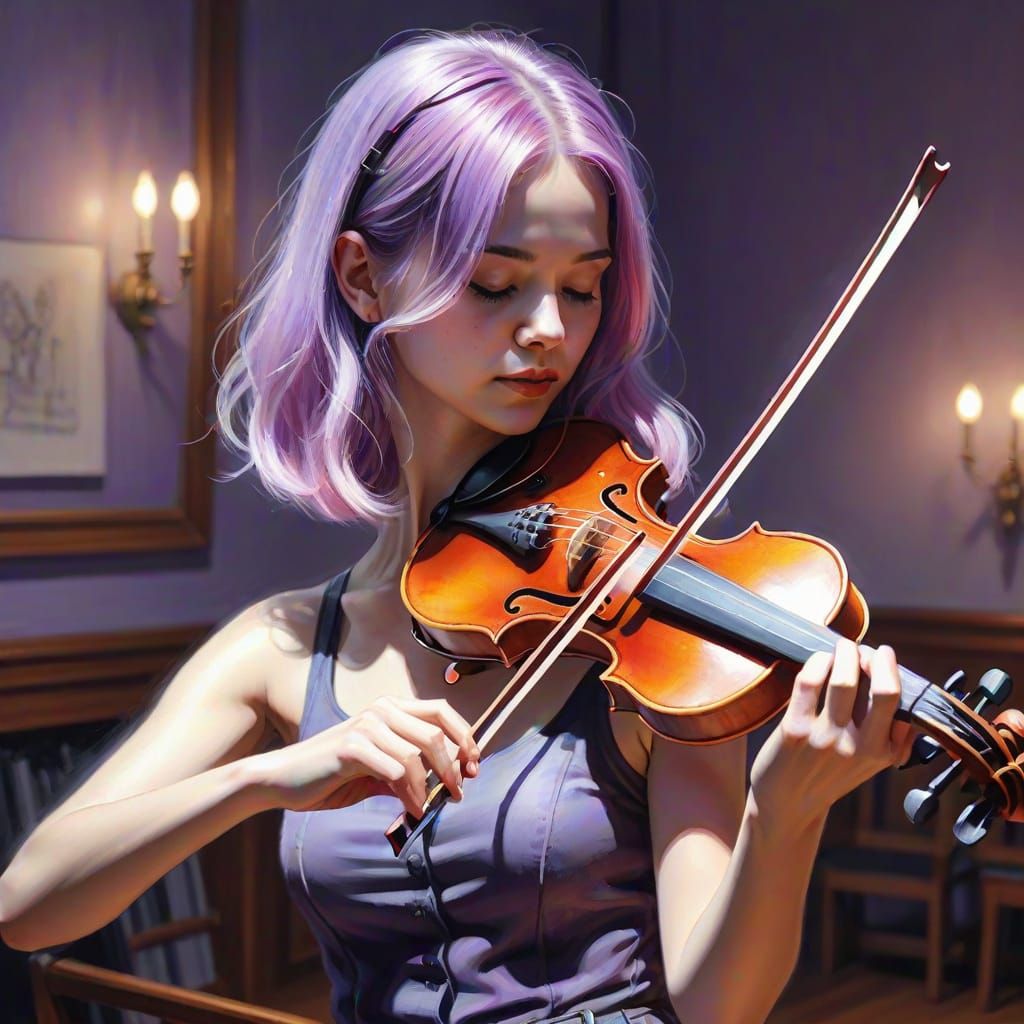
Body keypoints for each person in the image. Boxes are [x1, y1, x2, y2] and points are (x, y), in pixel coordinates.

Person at [0, 26, 915, 1024]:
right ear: (360, 276)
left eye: (582, 285)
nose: (551, 332)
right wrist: (268, 778)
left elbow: (715, 1006)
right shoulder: (286, 647)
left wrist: (783, 818)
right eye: (495, 281)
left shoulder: (651, 638)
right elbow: (28, 906)